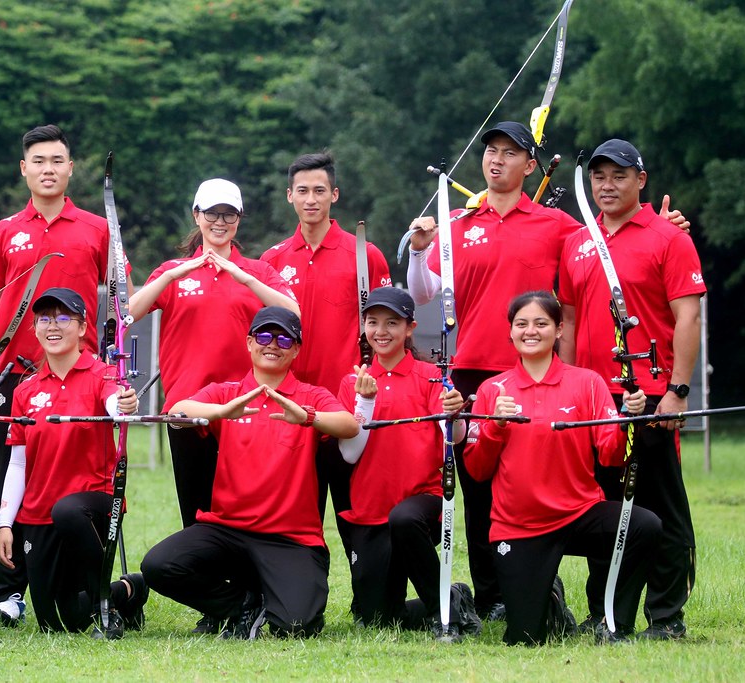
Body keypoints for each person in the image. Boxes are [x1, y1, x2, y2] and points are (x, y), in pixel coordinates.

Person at [405, 121, 687, 621]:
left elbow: (607, 259)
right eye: (490, 151)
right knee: (481, 490)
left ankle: (615, 607)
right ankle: (496, 595)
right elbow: (424, 292)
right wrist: (424, 248)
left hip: (549, 374)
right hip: (475, 375)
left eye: (510, 153)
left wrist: (666, 228)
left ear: (529, 165)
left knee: (582, 488)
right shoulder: (460, 226)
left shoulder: (562, 228)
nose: (496, 160)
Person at [0, 124, 129, 618]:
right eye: (38, 161)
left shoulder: (96, 228)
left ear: (70, 168)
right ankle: (9, 592)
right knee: (11, 478)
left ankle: (96, 581)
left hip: (82, 376)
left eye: (57, 161)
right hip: (16, 375)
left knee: (81, 480)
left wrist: (114, 361)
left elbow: (120, 299)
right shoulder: (5, 231)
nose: (47, 169)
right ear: (24, 169)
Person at [558, 139, 705, 640]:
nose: (607, 185)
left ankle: (666, 619)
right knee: (604, 513)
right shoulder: (578, 241)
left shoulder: (668, 237)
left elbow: (688, 314)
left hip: (652, 395)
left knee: (662, 510)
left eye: (619, 176)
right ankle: (606, 616)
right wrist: (567, 390)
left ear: (641, 180)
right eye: (599, 176)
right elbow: (570, 322)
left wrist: (678, 391)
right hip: (595, 405)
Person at [140, 307, 358, 639]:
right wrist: (222, 411)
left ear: (297, 348)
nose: (273, 344)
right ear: (249, 343)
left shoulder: (311, 396)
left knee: (297, 626)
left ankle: (280, 596)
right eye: (264, 336)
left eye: (284, 338)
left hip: (290, 539)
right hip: (228, 532)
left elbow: (349, 425)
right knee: (158, 565)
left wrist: (308, 417)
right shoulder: (227, 393)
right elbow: (178, 410)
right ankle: (241, 606)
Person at [128, 178, 298, 600]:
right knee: (196, 508)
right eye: (212, 213)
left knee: (242, 507)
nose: (220, 222)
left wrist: (241, 274)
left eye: (229, 214)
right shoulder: (172, 271)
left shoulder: (257, 270)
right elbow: (127, 314)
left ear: (239, 220)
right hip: (187, 408)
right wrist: (179, 272)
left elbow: (293, 313)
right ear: (196, 216)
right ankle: (215, 599)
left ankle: (250, 591)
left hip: (245, 409)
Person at [464, 290, 662, 645]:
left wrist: (627, 421)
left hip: (578, 513)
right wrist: (496, 426)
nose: (531, 331)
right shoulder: (492, 390)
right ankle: (549, 596)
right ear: (510, 331)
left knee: (643, 525)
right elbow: (477, 471)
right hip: (517, 525)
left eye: (542, 323)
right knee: (525, 638)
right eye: (521, 324)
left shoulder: (587, 382)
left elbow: (610, 456)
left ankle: (614, 623)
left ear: (558, 331)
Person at [0, 287, 146, 639]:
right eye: (45, 319)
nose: (54, 326)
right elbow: (17, 464)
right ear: (34, 328)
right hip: (38, 514)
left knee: (68, 510)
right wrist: (5, 523)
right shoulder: (25, 390)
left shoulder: (104, 375)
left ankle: (106, 610)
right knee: (58, 622)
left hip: (92, 504)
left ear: (82, 327)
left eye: (64, 318)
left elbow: (116, 404)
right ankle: (129, 590)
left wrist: (124, 406)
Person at [261, 151, 391, 553]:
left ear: (334, 194)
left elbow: (385, 334)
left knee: (357, 513)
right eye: (302, 191)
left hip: (349, 408)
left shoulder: (364, 255)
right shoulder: (272, 260)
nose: (311, 199)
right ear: (289, 196)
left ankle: (368, 593)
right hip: (292, 407)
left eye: (320, 190)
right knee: (296, 517)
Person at [336, 287, 481, 641]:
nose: (381, 331)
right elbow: (349, 454)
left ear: (410, 328)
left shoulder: (431, 376)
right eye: (373, 323)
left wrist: (455, 415)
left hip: (421, 502)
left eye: (392, 323)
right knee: (378, 620)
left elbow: (455, 437)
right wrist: (364, 402)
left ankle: (441, 614)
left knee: (404, 518)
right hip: (370, 510)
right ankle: (455, 597)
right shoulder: (351, 382)